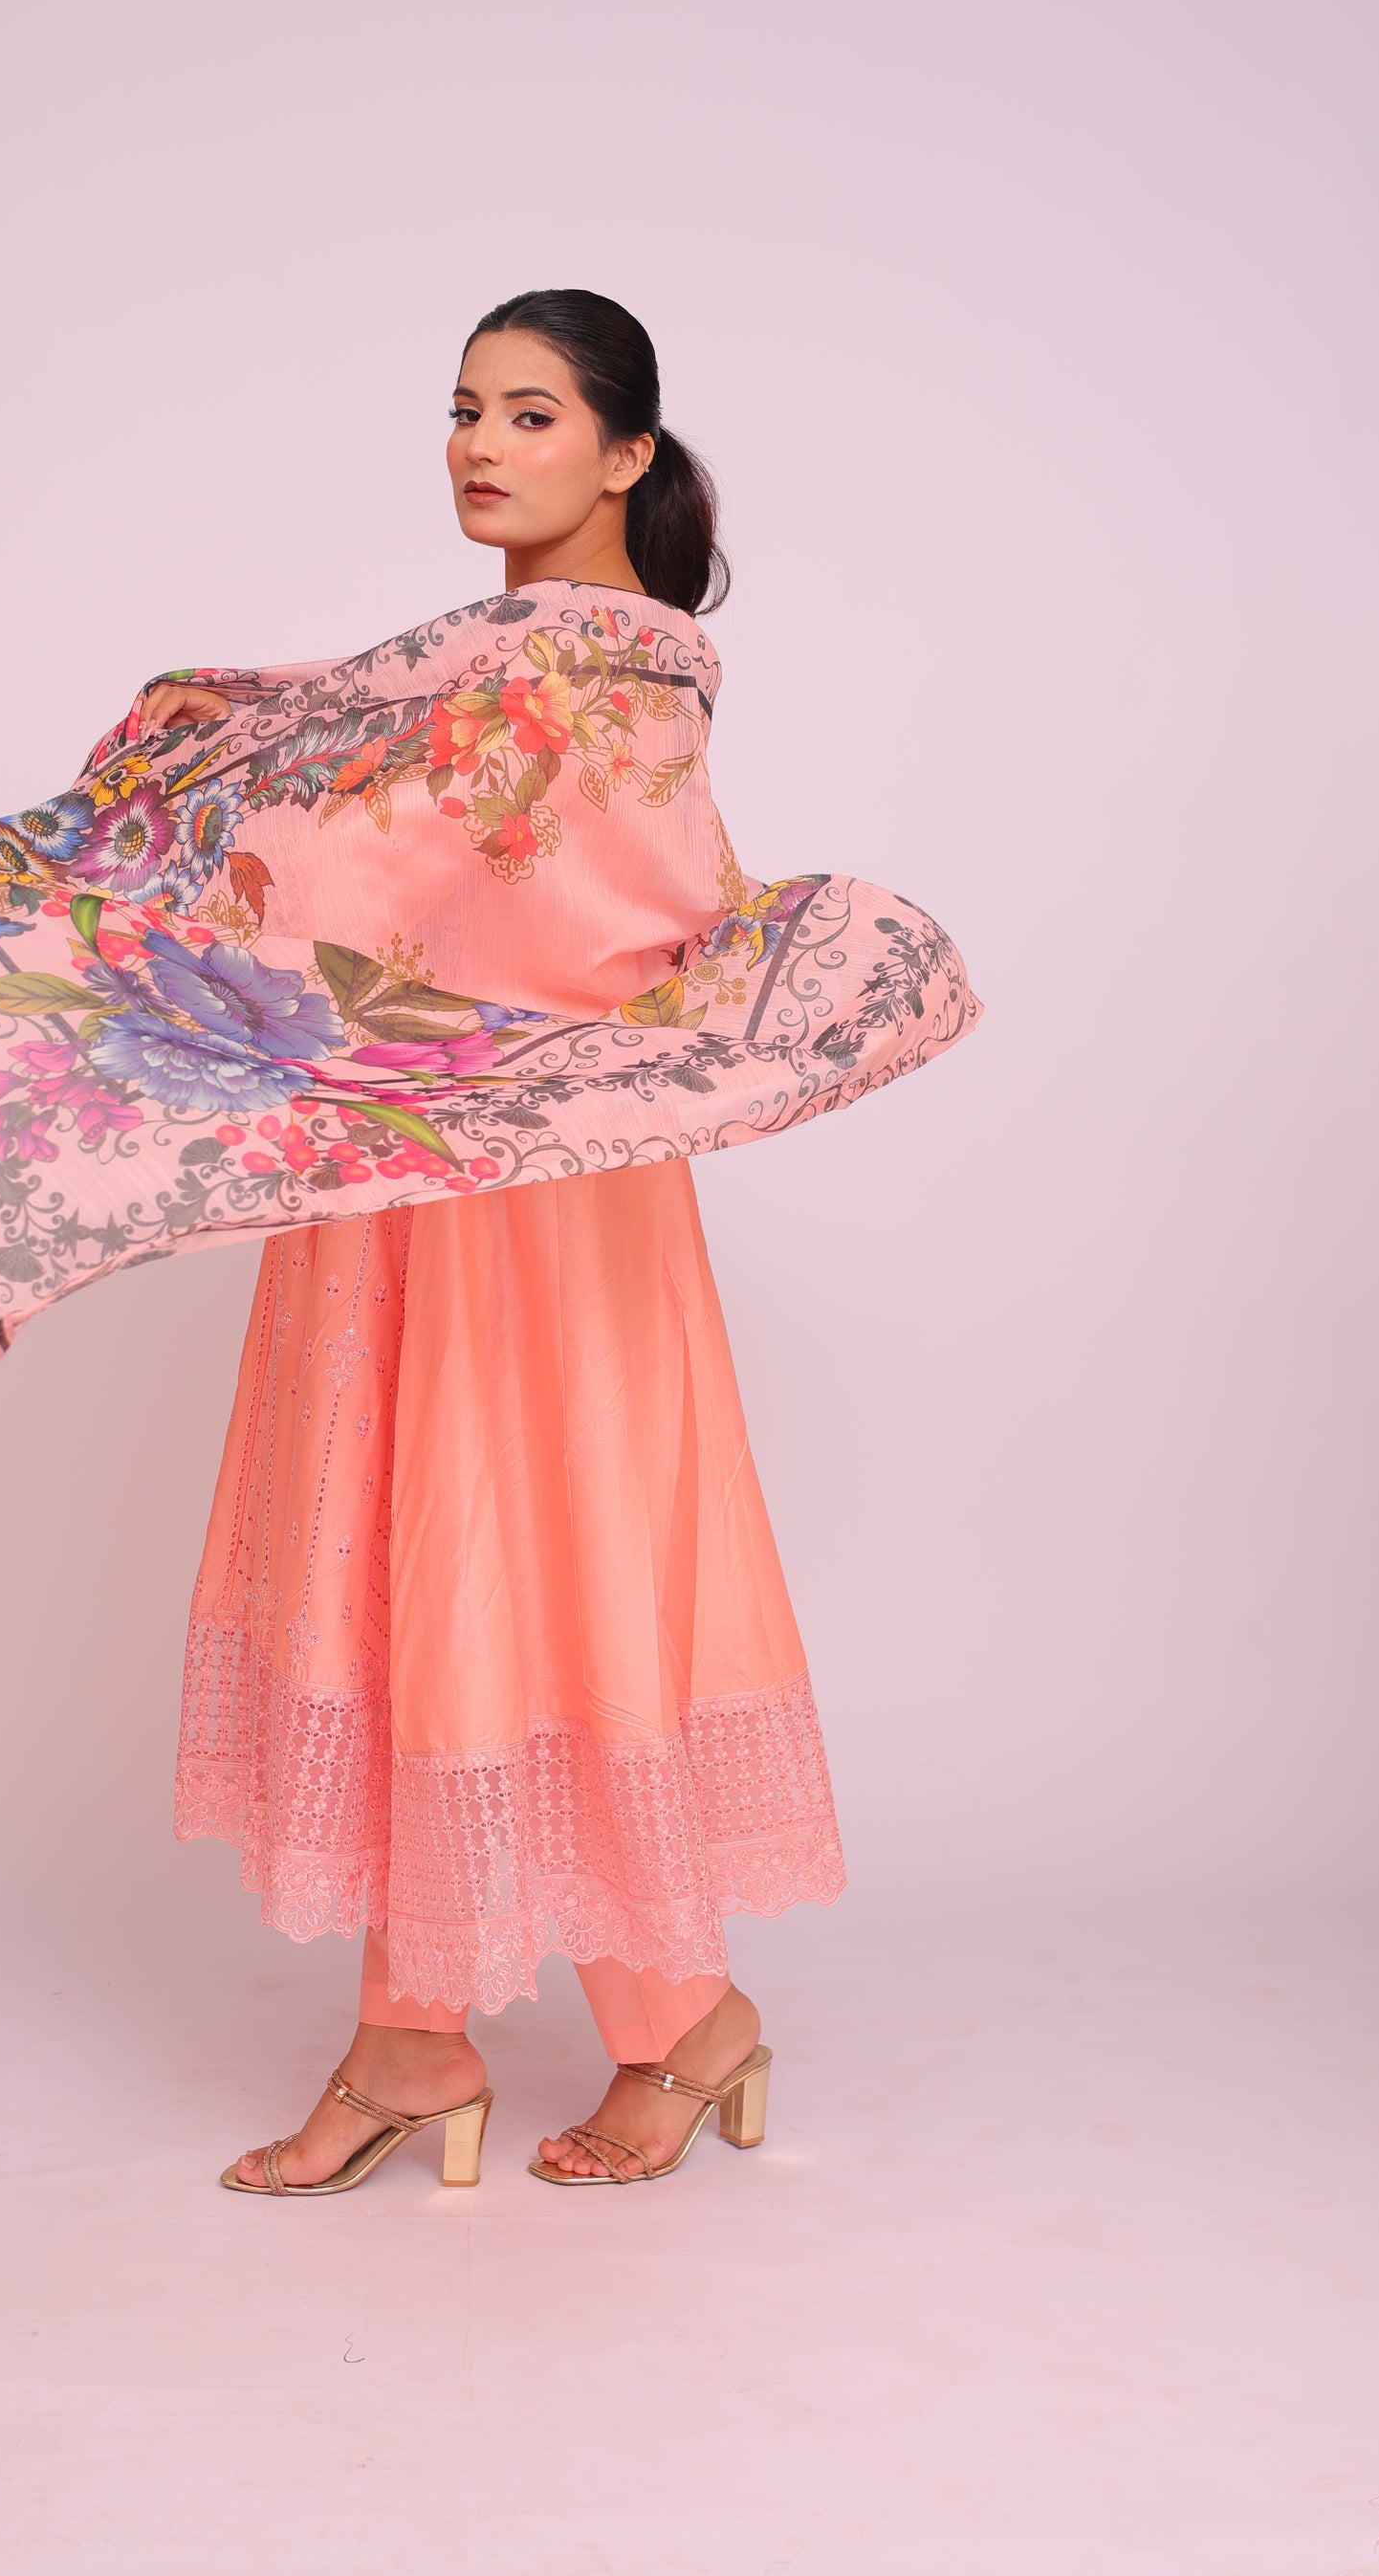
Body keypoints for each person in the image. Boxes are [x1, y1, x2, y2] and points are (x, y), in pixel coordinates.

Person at [195, 292, 838, 2191]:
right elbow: (398, 869)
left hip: (533, 1176)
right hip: (410, 1163)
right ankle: (422, 2032)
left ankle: (665, 2015)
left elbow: (611, 915)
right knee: (404, 1549)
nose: (480, 444)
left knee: (527, 1545)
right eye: (465, 408)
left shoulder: (616, 664)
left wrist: (297, 828)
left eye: (533, 413)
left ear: (626, 452)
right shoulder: (479, 661)